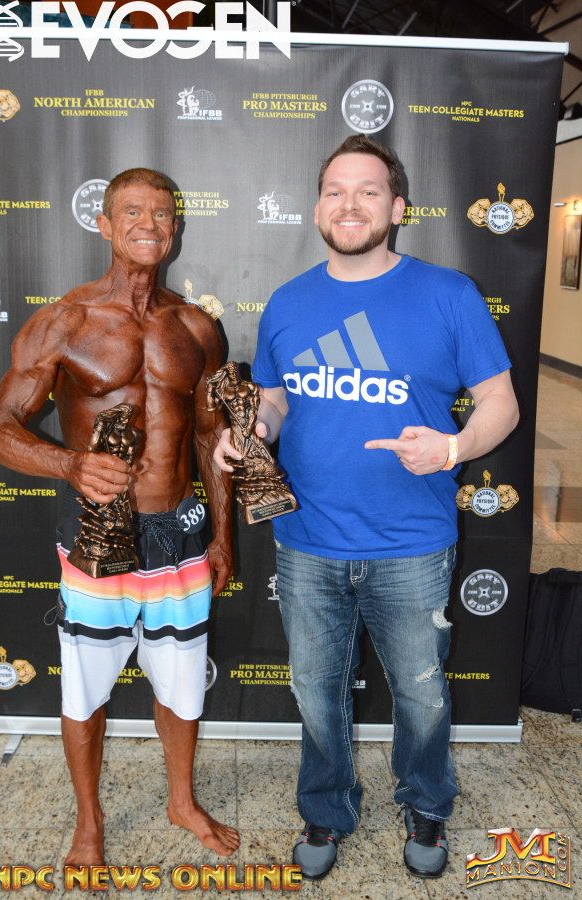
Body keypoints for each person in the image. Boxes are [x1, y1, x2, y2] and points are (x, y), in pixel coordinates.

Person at [214, 134, 519, 880]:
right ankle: (326, 807)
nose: (350, 204)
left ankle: (427, 803)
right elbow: (277, 403)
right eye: (336, 191)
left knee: (422, 694)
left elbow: (501, 403)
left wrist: (452, 448)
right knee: (316, 692)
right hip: (307, 539)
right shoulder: (289, 302)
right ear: (318, 206)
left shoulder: (448, 294)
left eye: (369, 191)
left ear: (398, 207)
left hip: (412, 542)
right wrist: (249, 435)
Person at [0, 168, 239, 865]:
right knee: (86, 689)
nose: (148, 225)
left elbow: (212, 437)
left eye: (161, 213)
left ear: (175, 227)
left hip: (179, 534)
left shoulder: (197, 326)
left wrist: (222, 536)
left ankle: (181, 801)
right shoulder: (64, 321)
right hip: (98, 535)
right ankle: (89, 822)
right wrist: (69, 465)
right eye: (131, 212)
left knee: (181, 685)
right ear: (104, 224)